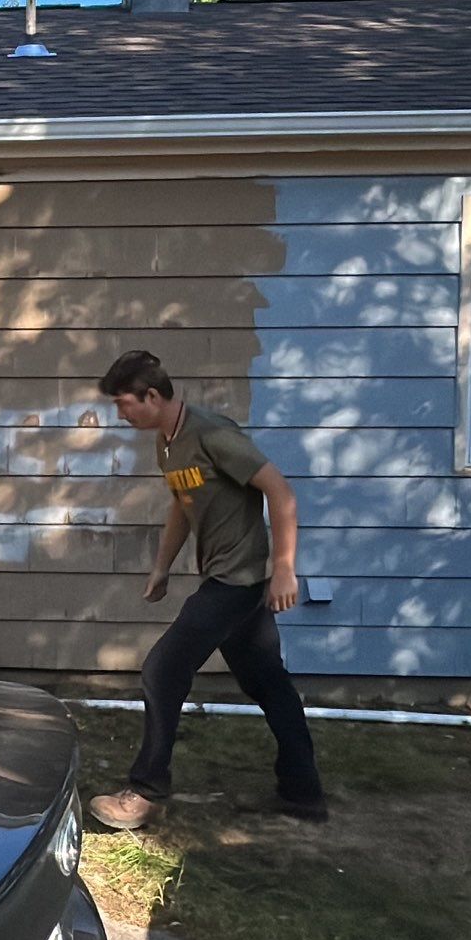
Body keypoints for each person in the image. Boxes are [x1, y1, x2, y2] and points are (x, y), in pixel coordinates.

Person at [87, 350, 327, 829]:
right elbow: (183, 502)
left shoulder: (214, 433)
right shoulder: (168, 442)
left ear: (151, 395)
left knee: (161, 669)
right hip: (229, 578)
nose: (121, 414)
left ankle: (147, 790)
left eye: (124, 403)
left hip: (238, 581)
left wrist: (285, 568)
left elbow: (280, 492)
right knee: (267, 682)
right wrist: (162, 566)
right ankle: (303, 794)